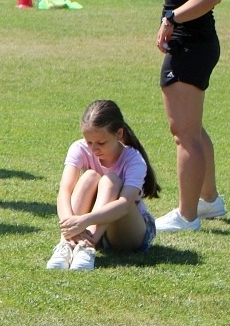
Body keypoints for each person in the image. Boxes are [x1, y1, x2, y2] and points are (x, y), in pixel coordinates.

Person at [151, 0, 227, 231]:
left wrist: (172, 16)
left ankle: (187, 215)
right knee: (193, 129)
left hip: (189, 43)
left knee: (184, 134)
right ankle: (209, 201)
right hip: (200, 41)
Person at [47, 100, 160, 271]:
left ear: (119, 134)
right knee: (90, 176)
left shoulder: (133, 159)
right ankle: (67, 245)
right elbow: (64, 190)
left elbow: (124, 205)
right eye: (89, 142)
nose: (94, 149)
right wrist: (69, 226)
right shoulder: (79, 149)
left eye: (101, 143)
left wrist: (84, 220)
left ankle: (86, 248)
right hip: (94, 228)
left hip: (129, 232)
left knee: (110, 180)